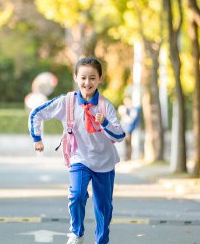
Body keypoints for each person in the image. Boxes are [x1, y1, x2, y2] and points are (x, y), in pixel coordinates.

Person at [28, 57, 125, 244]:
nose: (87, 83)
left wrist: (104, 122)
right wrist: (37, 138)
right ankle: (76, 232)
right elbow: (37, 113)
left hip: (104, 162)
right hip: (79, 158)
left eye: (92, 78)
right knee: (77, 194)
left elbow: (119, 136)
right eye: (83, 78)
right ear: (76, 78)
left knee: (104, 207)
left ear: (100, 79)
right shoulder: (67, 101)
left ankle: (101, 240)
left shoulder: (105, 106)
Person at [117, 95, 140, 161]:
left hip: (130, 129)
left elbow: (131, 120)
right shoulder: (125, 108)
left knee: (128, 142)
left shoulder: (134, 109)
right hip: (124, 128)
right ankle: (127, 156)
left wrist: (124, 114)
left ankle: (129, 157)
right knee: (126, 143)